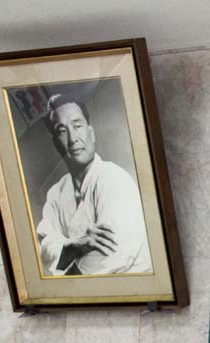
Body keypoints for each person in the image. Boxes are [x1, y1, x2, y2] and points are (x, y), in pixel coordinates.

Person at [36, 93, 152, 276]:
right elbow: (44, 248)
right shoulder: (56, 192)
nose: (73, 139)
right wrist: (76, 245)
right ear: (56, 143)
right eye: (62, 131)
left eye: (77, 126)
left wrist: (63, 280)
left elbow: (111, 256)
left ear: (91, 132)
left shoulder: (114, 179)